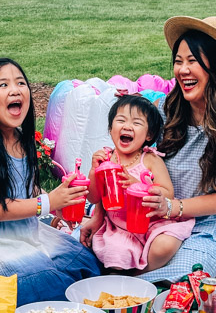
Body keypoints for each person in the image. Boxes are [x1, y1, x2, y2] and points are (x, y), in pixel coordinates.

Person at [91, 16, 216, 281]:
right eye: (178, 61)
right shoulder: (165, 111)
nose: (182, 70)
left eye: (192, 61)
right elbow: (127, 161)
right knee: (88, 247)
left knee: (183, 274)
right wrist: (98, 215)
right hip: (156, 223)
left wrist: (172, 207)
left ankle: (121, 282)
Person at [0, 56, 101, 303]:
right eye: (2, 85)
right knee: (55, 287)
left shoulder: (21, 138)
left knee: (88, 266)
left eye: (20, 83)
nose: (14, 90)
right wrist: (47, 202)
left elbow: (29, 188)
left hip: (26, 231)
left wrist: (58, 206)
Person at [83, 94, 195, 272]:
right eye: (121, 120)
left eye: (136, 123)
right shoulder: (106, 159)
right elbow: (94, 197)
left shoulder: (149, 159)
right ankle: (122, 272)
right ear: (110, 128)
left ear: (149, 134)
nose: (127, 126)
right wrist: (93, 171)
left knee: (165, 245)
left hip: (151, 223)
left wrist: (139, 185)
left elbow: (168, 193)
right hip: (120, 226)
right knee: (115, 255)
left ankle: (140, 273)